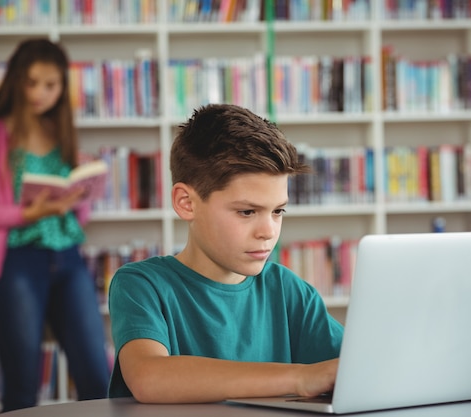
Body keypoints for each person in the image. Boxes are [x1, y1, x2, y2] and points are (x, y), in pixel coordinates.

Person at [108, 103, 344, 403]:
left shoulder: (289, 292)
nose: (268, 231)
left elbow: (359, 367)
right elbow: (149, 377)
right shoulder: (141, 285)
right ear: (186, 203)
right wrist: (301, 377)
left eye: (278, 211)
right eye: (247, 211)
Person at [0, 38, 110, 412]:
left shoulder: (60, 132)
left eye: (50, 84)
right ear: (15, 81)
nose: (40, 93)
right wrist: (28, 214)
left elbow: (79, 216)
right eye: (31, 82)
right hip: (16, 260)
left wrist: (80, 196)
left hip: (68, 257)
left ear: (63, 87)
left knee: (97, 375)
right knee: (23, 385)